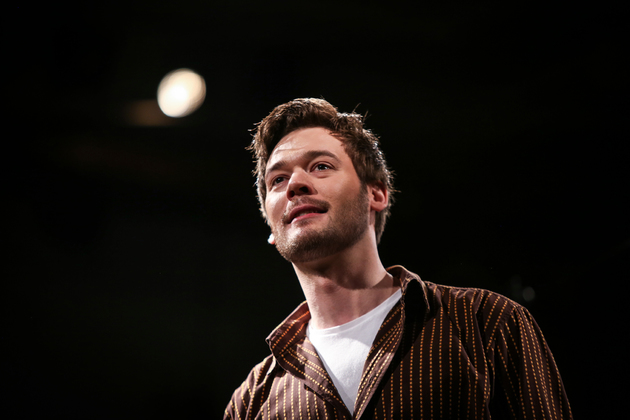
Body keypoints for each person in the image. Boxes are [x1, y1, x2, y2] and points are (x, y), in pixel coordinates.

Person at [224, 98, 572, 419]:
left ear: (375, 194)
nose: (295, 185)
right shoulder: (251, 402)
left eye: (321, 166)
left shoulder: (486, 323)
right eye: (278, 179)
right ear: (272, 227)